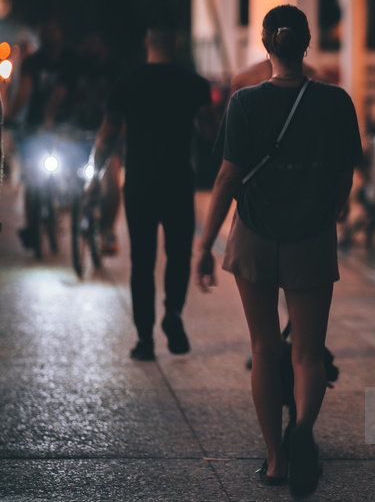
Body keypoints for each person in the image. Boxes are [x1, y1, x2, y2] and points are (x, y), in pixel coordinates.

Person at [193, 5, 362, 498]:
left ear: (266, 45)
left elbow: (226, 177)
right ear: (306, 44)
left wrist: (205, 244)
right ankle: (304, 427)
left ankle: (275, 461)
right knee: (308, 352)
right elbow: (344, 175)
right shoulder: (336, 101)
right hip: (311, 236)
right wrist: (328, 211)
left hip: (255, 236)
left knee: (265, 349)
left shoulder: (244, 103)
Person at [90, 28, 217, 361]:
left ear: (146, 42)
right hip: (178, 180)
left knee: (141, 263)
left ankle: (144, 340)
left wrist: (93, 174)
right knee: (178, 255)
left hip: (140, 183)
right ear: (175, 43)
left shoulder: (127, 82)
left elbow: (107, 135)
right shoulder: (194, 84)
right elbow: (209, 131)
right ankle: (173, 312)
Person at [45, 32, 123, 254]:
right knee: (61, 166)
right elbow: (59, 93)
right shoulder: (75, 68)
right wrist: (49, 119)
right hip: (77, 132)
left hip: (107, 135)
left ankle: (108, 231)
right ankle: (66, 201)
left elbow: (121, 106)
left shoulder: (114, 71)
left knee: (111, 176)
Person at [6, 20, 79, 250]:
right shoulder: (32, 63)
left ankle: (72, 200)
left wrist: (52, 118)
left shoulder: (70, 60)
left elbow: (65, 90)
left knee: (73, 170)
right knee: (31, 178)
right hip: (35, 125)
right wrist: (11, 117)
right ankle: (31, 224)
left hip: (66, 123)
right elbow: (24, 91)